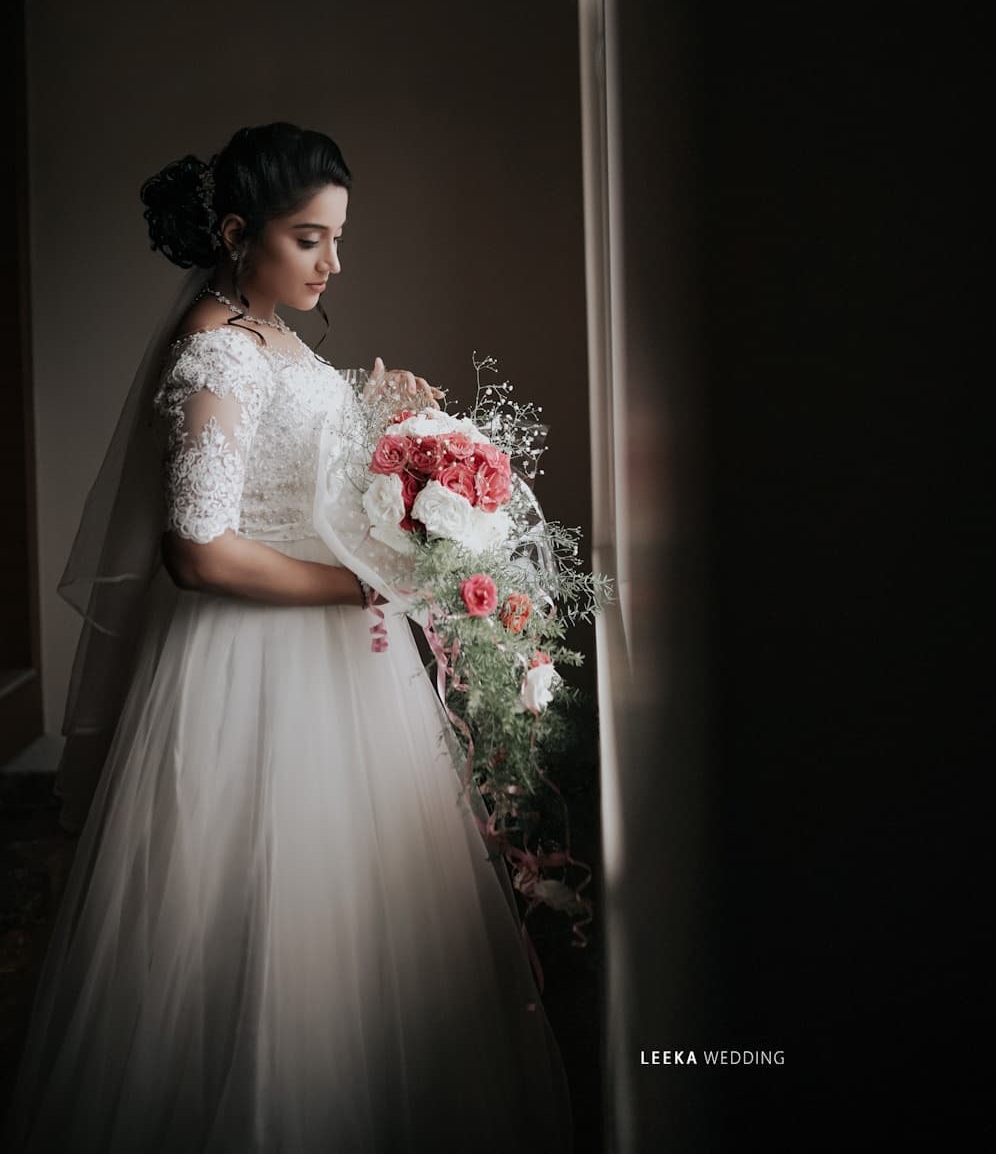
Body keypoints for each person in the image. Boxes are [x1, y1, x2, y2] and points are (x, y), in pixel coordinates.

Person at [3, 122, 575, 1152]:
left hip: (327, 660)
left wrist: (384, 427)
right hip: (250, 663)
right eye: (310, 239)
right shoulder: (216, 347)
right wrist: (361, 587)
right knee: (252, 914)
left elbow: (291, 472)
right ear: (237, 232)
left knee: (356, 920)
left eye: (338, 237)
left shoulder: (272, 335)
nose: (333, 262)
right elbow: (202, 552)